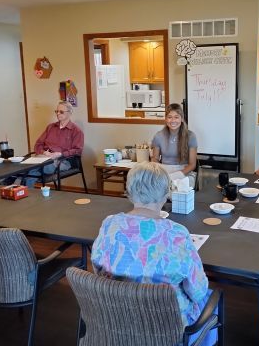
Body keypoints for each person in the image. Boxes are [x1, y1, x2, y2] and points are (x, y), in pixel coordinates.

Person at [91, 162, 216, 345]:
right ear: (166, 195)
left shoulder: (110, 224)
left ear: (128, 191)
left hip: (117, 320)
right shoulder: (177, 233)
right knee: (210, 297)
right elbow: (197, 291)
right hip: (167, 329)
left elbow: (98, 270)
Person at [22, 101, 84, 187]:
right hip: (44, 158)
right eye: (56, 111)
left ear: (70, 113)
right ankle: (24, 192)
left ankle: (17, 185)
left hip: (63, 160)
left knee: (31, 170)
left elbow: (78, 151)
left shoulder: (76, 131)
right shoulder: (51, 127)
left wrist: (60, 154)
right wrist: (44, 152)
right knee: (29, 168)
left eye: (61, 112)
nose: (58, 114)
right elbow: (38, 144)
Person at [151, 103, 197, 188]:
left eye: (176, 117)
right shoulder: (158, 136)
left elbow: (192, 164)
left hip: (184, 173)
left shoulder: (191, 136)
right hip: (164, 173)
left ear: (182, 119)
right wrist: (162, 174)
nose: (173, 121)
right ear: (166, 119)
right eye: (169, 117)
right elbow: (155, 159)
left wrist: (176, 176)